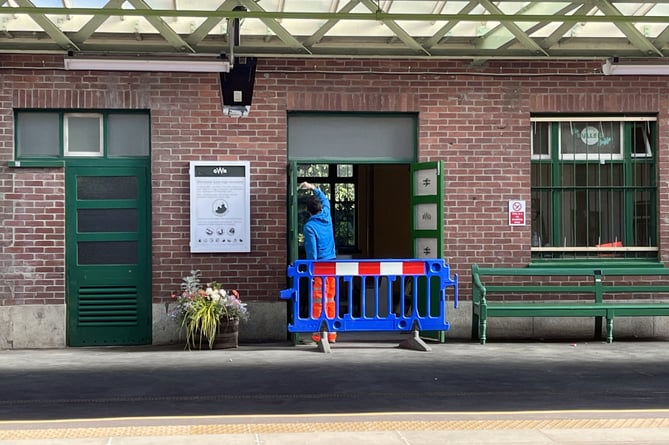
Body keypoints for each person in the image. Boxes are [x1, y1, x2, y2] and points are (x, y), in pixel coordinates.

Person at [299, 181, 337, 343]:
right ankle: (332, 334)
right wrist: (313, 187)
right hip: (332, 265)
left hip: (320, 267)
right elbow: (326, 199)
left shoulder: (309, 227)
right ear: (320, 208)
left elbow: (312, 252)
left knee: (318, 301)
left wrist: (311, 271)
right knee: (330, 299)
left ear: (308, 211)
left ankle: (318, 334)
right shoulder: (327, 216)